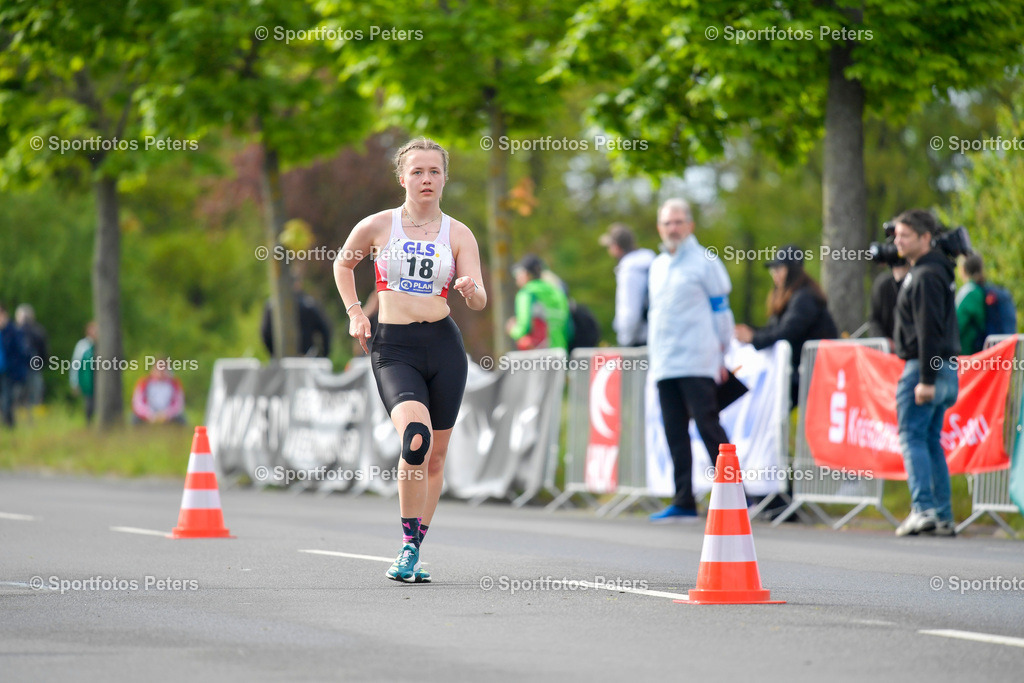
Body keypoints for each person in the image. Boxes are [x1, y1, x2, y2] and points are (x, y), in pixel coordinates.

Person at [334, 137, 486, 583]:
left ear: (444, 179)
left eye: (434, 172)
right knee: (415, 438)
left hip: (444, 346)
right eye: (417, 171)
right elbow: (344, 265)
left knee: (435, 458)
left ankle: (415, 549)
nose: (426, 179)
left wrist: (471, 290)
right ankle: (404, 546)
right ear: (402, 178)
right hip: (393, 346)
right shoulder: (380, 226)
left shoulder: (458, 233)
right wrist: (356, 314)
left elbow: (478, 297)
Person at [647, 198, 734, 521]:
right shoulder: (657, 266)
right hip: (665, 362)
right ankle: (684, 500)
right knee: (674, 431)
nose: (673, 228)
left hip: (698, 358)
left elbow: (721, 310)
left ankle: (734, 495)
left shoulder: (705, 261)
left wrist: (723, 351)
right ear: (659, 227)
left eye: (679, 221)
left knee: (708, 425)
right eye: (667, 222)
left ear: (691, 225)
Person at [892, 209, 960, 537]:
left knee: (913, 436)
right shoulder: (935, 270)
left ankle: (924, 509)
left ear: (924, 238)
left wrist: (926, 380)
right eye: (896, 235)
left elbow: (928, 331)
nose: (897, 241)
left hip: (925, 367)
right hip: (943, 366)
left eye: (904, 235)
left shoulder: (925, 275)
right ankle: (943, 514)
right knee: (931, 440)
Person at [734, 245, 839, 409]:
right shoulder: (790, 296)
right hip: (799, 370)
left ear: (792, 270)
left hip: (814, 371)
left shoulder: (804, 297)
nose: (774, 274)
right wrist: (750, 332)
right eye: (773, 270)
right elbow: (775, 329)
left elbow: (788, 331)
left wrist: (754, 338)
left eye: (779, 268)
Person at [600, 223, 656, 347]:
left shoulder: (630, 271)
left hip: (639, 340)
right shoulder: (648, 264)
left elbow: (630, 312)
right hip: (654, 335)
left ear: (616, 247)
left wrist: (625, 340)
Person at [506, 254, 571, 352]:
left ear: (527, 274)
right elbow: (568, 328)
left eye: (518, 272)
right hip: (560, 353)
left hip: (538, 354)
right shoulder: (557, 292)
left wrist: (512, 330)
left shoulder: (527, 293)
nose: (516, 277)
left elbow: (524, 328)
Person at [261, 280, 333, 358]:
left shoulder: (272, 305)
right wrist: (324, 354)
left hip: (282, 358)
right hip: (306, 357)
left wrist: (274, 354)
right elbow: (325, 329)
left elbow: (265, 333)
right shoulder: (309, 304)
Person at [0, 305, 30, 428]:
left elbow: (22, 352)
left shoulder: (14, 331)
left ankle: (9, 426)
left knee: (8, 399)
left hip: (9, 371)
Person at [131, 359, 186, 425]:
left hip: (168, 415)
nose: (160, 372)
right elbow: (138, 404)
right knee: (134, 419)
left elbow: (178, 405)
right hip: (148, 414)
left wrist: (166, 414)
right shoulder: (144, 383)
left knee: (181, 419)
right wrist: (150, 415)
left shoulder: (174, 384)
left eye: (163, 369)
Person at [15, 304, 49, 408]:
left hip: (20, 369)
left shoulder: (15, 331)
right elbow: (44, 352)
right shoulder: (39, 331)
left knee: (19, 395)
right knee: (34, 396)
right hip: (34, 368)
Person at [868, 262, 910, 342]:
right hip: (887, 346)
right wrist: (883, 341)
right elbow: (874, 320)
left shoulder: (920, 279)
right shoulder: (884, 284)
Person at [955, 254, 987, 355]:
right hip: (985, 350)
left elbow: (957, 324)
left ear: (962, 270)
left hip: (968, 352)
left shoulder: (969, 292)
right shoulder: (982, 289)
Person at [70, 321, 97, 423]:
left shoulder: (102, 345)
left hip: (100, 383)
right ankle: (89, 425)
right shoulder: (82, 346)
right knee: (89, 406)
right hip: (87, 382)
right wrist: (74, 382)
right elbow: (75, 365)